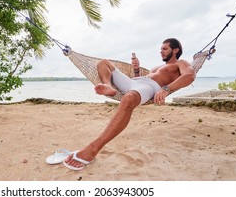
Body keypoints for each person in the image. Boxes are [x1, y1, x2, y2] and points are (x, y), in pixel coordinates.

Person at [63, 38, 196, 171]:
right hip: (135, 81)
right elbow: (146, 76)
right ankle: (108, 86)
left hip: (151, 87)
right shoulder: (156, 67)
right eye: (161, 49)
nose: (161, 52)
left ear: (176, 50)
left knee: (129, 98)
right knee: (103, 63)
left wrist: (166, 89)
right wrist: (137, 69)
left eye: (164, 49)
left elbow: (190, 75)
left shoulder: (181, 63)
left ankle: (92, 149)